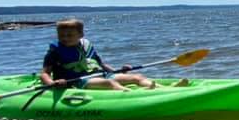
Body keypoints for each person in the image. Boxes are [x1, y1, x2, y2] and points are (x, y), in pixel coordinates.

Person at [39, 19, 168, 91]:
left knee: (137, 77)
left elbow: (101, 64)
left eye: (69, 35)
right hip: (77, 81)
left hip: (98, 75)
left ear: (81, 35)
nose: (65, 38)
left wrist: (120, 71)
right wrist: (52, 82)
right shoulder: (55, 51)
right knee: (108, 83)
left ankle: (165, 90)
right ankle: (132, 95)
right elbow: (44, 73)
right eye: (61, 35)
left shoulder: (86, 46)